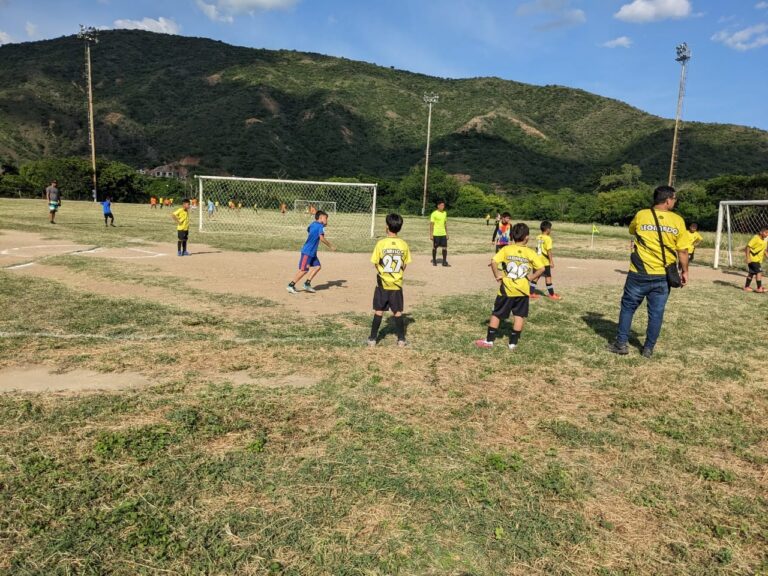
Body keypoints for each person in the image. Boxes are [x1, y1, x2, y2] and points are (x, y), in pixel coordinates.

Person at [608, 185, 691, 358]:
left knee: (628, 307)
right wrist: (685, 271)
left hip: (638, 272)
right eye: (674, 199)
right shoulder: (678, 220)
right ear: (668, 200)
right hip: (663, 275)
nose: (675, 202)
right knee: (656, 313)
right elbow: (682, 251)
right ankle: (648, 349)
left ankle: (621, 344)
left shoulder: (641, 215)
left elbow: (632, 230)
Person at [475, 223, 547, 351]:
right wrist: (530, 278)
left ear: (512, 235)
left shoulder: (506, 249)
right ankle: (513, 343)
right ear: (527, 237)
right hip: (523, 290)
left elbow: (493, 261)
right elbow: (541, 268)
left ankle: (489, 340)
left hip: (506, 289)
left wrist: (497, 275)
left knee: (496, 314)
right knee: (519, 315)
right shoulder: (530, 252)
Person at [367, 213, 411, 347]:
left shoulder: (381, 243)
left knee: (379, 310)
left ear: (387, 227)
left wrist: (382, 272)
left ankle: (373, 339)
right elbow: (405, 264)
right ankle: (401, 340)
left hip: (382, 283)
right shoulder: (403, 244)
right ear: (400, 228)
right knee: (398, 312)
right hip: (396, 284)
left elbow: (375, 262)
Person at [287, 210, 336, 294]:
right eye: (326, 218)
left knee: (317, 266)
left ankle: (307, 284)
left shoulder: (313, 224)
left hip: (312, 252)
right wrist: (330, 246)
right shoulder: (320, 226)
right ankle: (291, 285)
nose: (327, 220)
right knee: (304, 270)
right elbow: (321, 238)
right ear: (320, 218)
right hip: (308, 251)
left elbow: (308, 229)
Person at [531, 220, 562, 300]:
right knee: (548, 277)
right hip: (544, 261)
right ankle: (552, 294)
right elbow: (549, 251)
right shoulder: (548, 238)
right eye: (550, 229)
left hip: (537, 260)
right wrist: (551, 261)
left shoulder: (538, 237)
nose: (551, 230)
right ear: (548, 229)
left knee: (536, 276)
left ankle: (531, 293)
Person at [743, 226, 768, 293]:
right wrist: (748, 257)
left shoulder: (764, 241)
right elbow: (748, 247)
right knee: (759, 272)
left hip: (757, 260)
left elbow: (764, 250)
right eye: (766, 232)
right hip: (753, 259)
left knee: (751, 273)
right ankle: (759, 288)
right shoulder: (756, 238)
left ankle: (746, 287)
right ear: (761, 232)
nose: (767, 234)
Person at [429, 200, 449, 267]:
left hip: (443, 233)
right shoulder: (434, 214)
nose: (443, 206)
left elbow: (445, 224)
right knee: (435, 247)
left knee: (445, 247)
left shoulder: (445, 213)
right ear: (438, 206)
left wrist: (447, 234)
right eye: (442, 205)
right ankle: (434, 261)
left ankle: (444, 262)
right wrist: (431, 234)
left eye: (443, 205)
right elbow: (431, 224)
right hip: (436, 234)